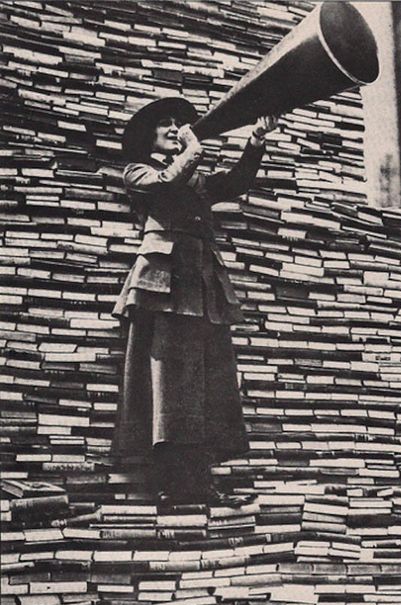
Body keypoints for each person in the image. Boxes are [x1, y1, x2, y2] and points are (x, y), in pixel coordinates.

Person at [111, 96, 278, 507]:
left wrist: (256, 140)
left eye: (179, 123)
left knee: (206, 383)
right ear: (147, 135)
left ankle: (201, 483)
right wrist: (193, 150)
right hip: (162, 286)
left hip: (200, 287)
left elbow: (236, 183)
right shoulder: (138, 171)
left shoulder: (193, 177)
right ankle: (172, 483)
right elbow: (165, 183)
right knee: (168, 384)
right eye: (165, 124)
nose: (174, 129)